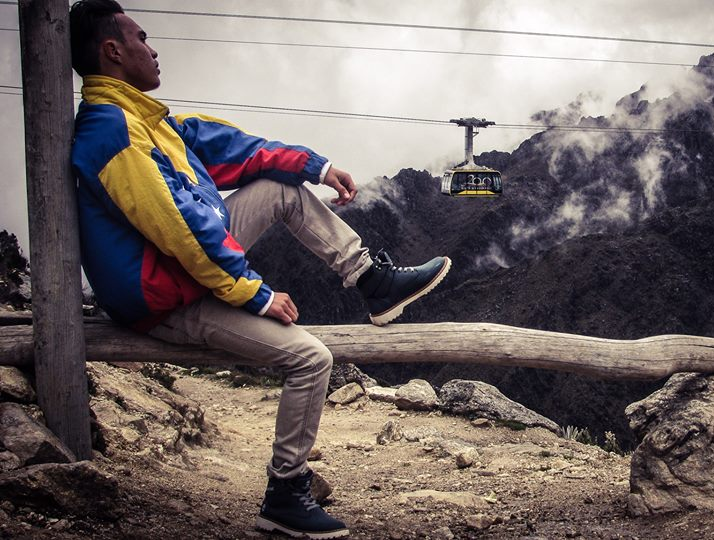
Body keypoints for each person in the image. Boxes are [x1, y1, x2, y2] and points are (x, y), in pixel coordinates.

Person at [68, 1, 450, 537]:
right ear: (113, 51)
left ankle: (371, 280)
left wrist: (316, 167)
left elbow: (234, 149)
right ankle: (285, 493)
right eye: (142, 38)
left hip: (178, 270)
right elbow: (181, 230)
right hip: (160, 296)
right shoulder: (115, 133)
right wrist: (256, 295)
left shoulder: (144, 120)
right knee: (311, 359)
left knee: (279, 188)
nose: (152, 50)